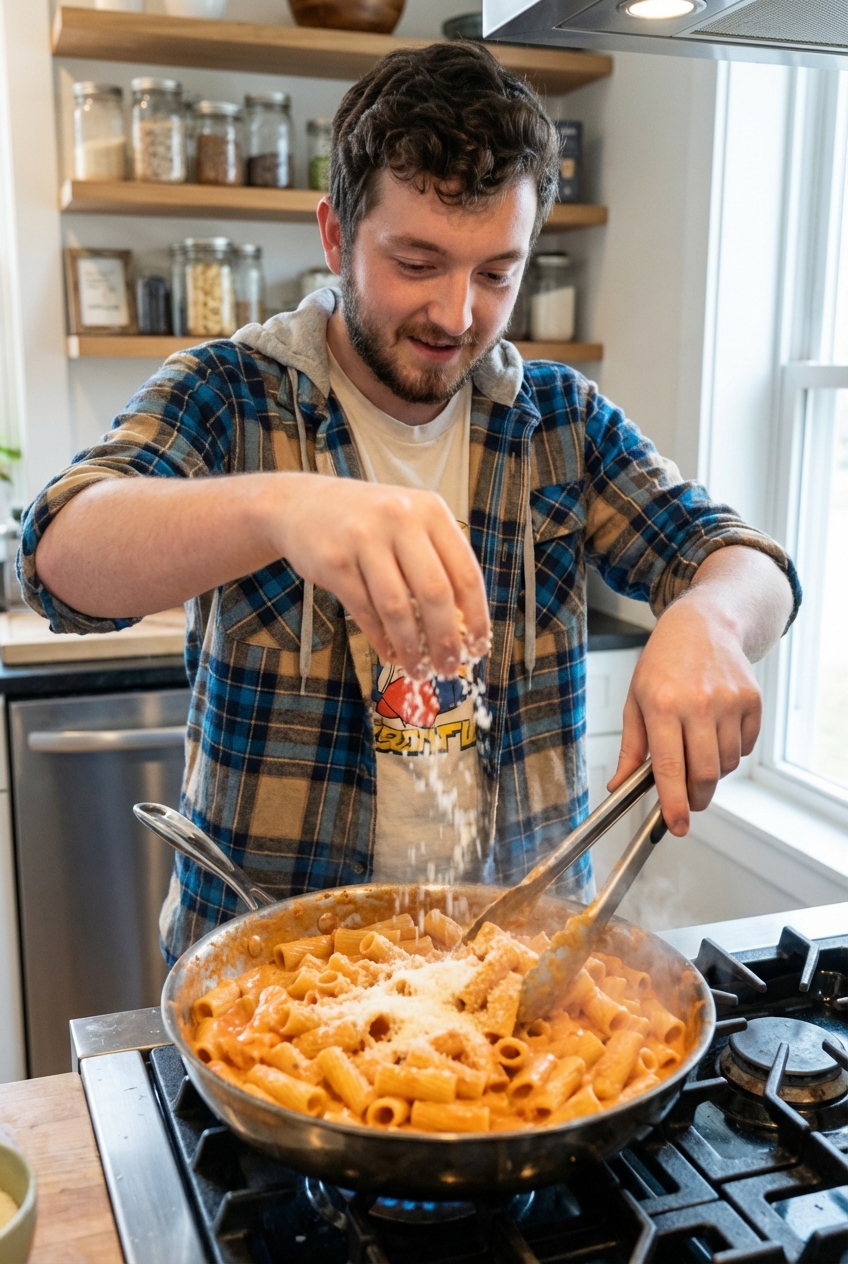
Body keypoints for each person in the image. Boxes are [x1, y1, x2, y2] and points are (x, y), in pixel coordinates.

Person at [21, 43, 800, 965]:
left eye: (497, 274)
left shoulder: (559, 421)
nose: (456, 314)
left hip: (516, 965)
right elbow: (59, 559)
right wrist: (285, 509)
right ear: (335, 236)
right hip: (267, 972)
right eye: (417, 261)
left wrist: (711, 618)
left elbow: (745, 559)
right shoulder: (232, 394)